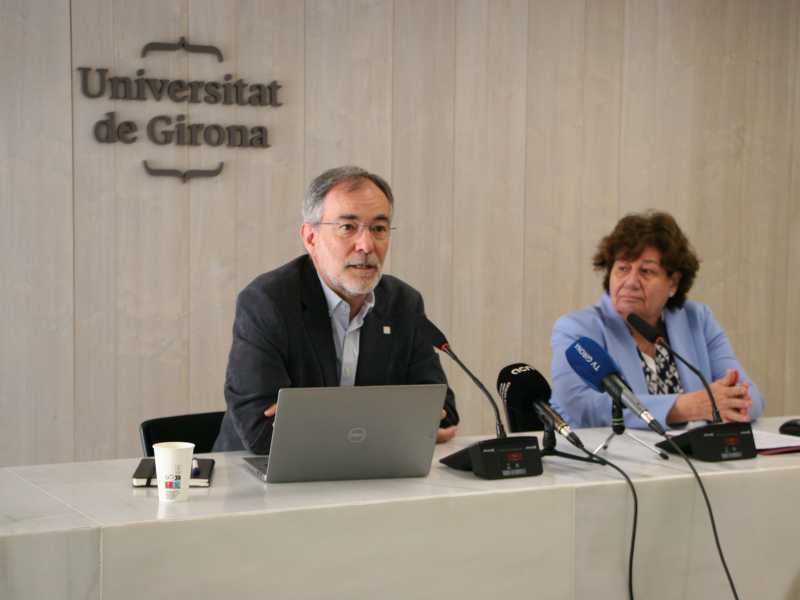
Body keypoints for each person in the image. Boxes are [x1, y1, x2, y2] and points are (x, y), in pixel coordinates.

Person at [213, 166, 459, 453]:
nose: (366, 245)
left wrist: (307, 420)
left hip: (367, 476)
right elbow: (261, 432)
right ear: (310, 238)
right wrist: (391, 424)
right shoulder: (268, 302)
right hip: (255, 480)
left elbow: (441, 413)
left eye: (379, 228)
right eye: (347, 227)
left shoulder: (402, 303)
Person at [550, 211, 764, 430]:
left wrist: (732, 401)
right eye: (623, 268)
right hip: (608, 459)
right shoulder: (576, 329)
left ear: (673, 283)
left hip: (688, 458)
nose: (631, 282)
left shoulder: (697, 320)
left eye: (646, 271)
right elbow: (584, 407)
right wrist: (685, 407)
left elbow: (751, 397)